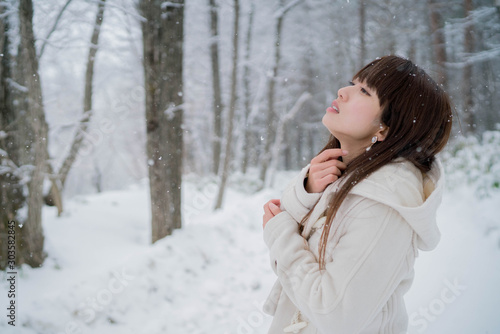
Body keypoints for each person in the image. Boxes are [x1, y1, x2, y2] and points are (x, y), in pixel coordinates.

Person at [262, 55, 453, 334]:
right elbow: (297, 238)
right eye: (352, 83)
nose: (343, 91)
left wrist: (279, 234)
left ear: (385, 127)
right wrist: (309, 190)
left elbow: (334, 314)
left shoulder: (383, 202)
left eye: (364, 91)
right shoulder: (348, 177)